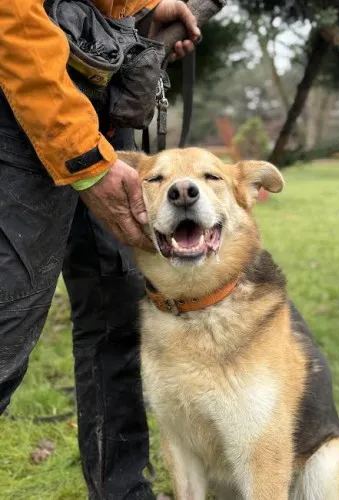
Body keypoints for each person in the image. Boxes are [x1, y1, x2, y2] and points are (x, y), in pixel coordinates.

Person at [0, 1, 200, 498]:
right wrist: (85, 159)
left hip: (99, 117)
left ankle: (123, 491)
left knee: (118, 320)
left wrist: (144, 12)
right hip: (20, 104)